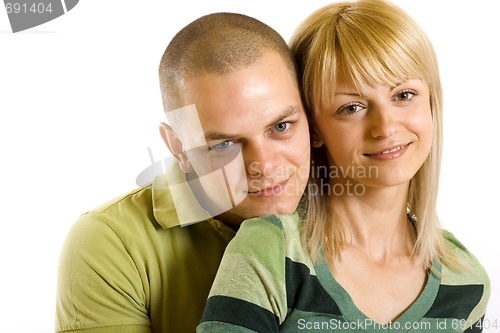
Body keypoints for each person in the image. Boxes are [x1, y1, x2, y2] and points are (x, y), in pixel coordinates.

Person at [197, 0, 490, 332]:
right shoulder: (273, 251)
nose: (386, 127)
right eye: (352, 107)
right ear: (315, 129)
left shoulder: (467, 280)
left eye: (404, 95)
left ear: (432, 104)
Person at [55, 12, 311, 333]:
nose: (265, 165)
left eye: (281, 126)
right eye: (225, 144)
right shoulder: (112, 243)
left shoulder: (357, 203)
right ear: (178, 148)